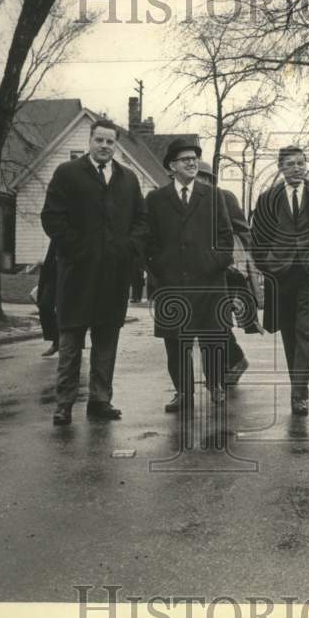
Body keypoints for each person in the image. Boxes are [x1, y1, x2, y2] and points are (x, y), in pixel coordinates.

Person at [41, 118, 148, 426]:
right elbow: (51, 218)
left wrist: (127, 249)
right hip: (77, 274)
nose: (104, 146)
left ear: (116, 146)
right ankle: (64, 403)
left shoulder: (128, 179)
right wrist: (77, 248)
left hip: (113, 275)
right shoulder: (68, 174)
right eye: (99, 140)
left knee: (106, 339)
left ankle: (101, 400)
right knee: (71, 340)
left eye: (110, 142)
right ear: (90, 141)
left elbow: (141, 221)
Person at [251, 145, 309, 416]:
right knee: (289, 332)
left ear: (306, 166)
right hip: (281, 275)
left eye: (300, 163)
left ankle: (299, 393)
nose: (296, 168)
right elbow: (257, 239)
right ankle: (298, 385)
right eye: (290, 163)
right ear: (281, 168)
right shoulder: (268, 198)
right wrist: (267, 263)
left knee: (307, 331)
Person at [146, 140, 234, 413]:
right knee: (176, 343)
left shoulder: (213, 195)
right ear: (172, 166)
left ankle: (216, 385)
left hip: (209, 282)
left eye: (194, 158)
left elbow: (226, 238)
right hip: (171, 283)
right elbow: (148, 240)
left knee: (212, 339)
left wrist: (213, 263)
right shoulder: (156, 199)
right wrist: (159, 267)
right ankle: (183, 393)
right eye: (185, 159)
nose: (192, 163)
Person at [194, 161, 263, 388]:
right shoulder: (186, 201)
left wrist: (244, 265)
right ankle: (227, 366)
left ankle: (230, 364)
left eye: (204, 178)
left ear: (211, 180)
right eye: (196, 178)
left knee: (217, 320)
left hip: (228, 268)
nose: (199, 182)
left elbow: (243, 230)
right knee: (211, 322)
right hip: (199, 270)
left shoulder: (224, 197)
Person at [36, 240, 59, 357]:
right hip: (52, 274)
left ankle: (60, 344)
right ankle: (56, 340)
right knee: (44, 305)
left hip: (69, 272)